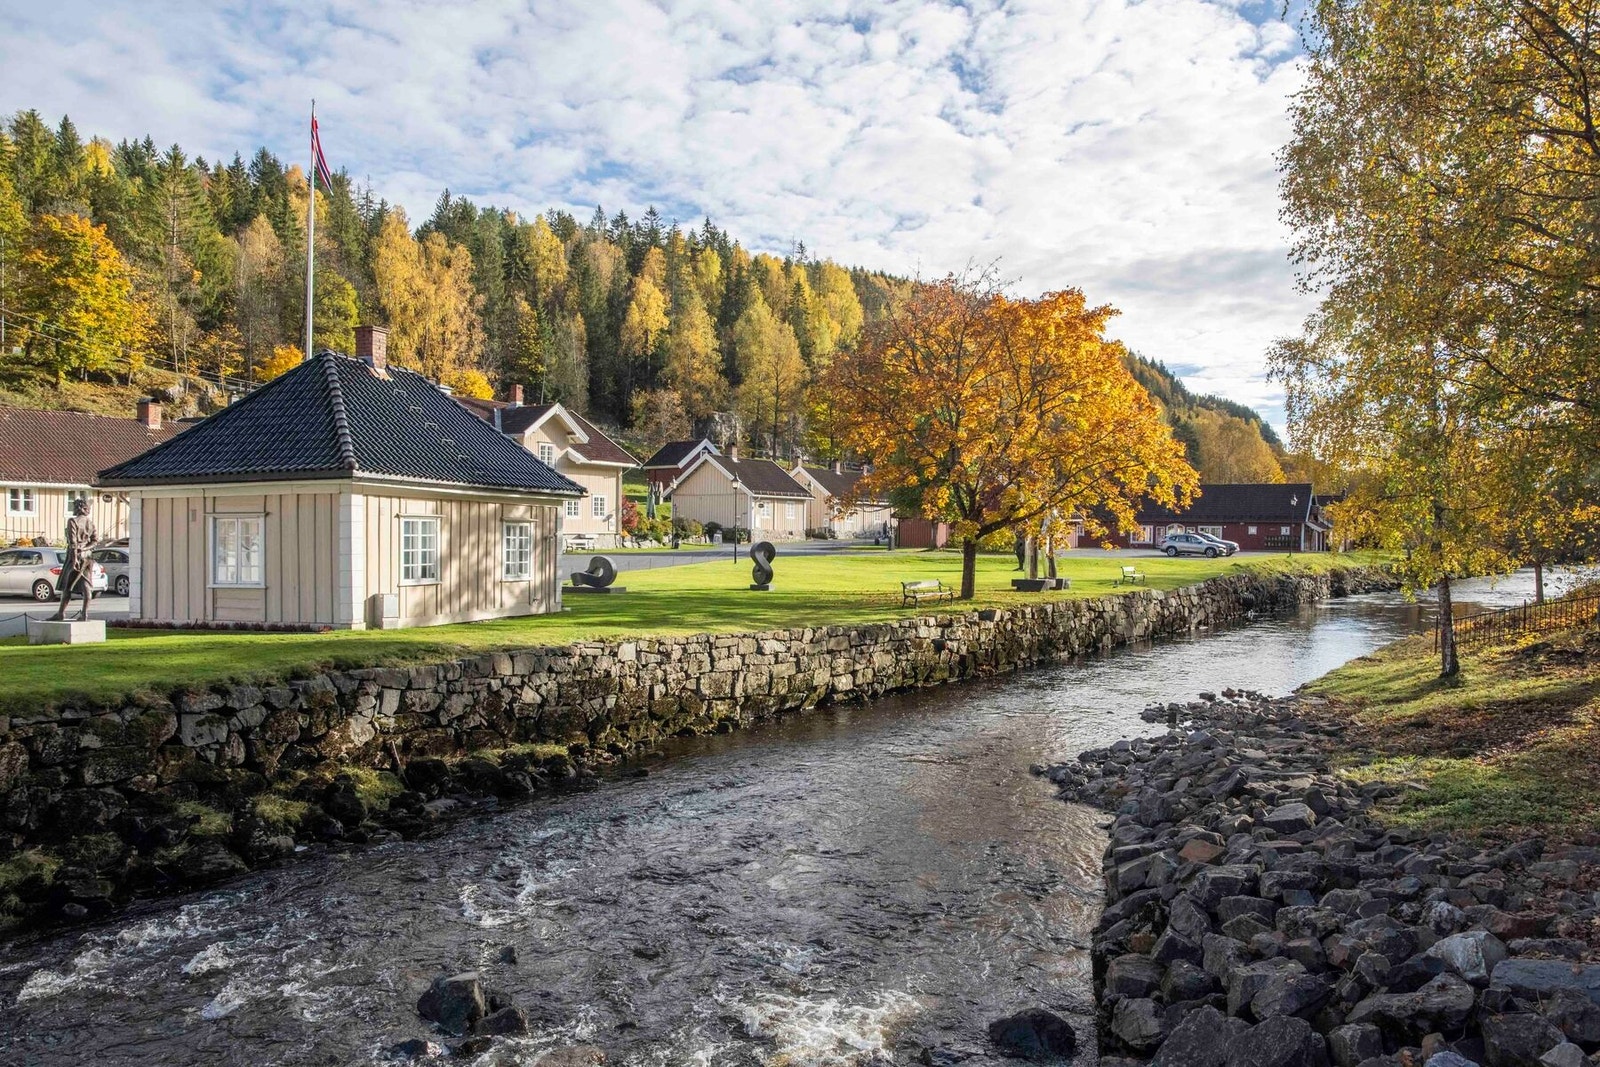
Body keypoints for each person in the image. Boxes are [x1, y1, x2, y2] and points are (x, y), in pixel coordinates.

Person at [52, 497, 99, 621]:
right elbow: (95, 541)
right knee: (86, 585)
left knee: (67, 586)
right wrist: (85, 548)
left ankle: (61, 613)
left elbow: (73, 543)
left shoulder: (73, 521)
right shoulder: (90, 523)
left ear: (80, 508)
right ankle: (84, 614)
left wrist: (75, 559)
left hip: (75, 556)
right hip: (88, 557)